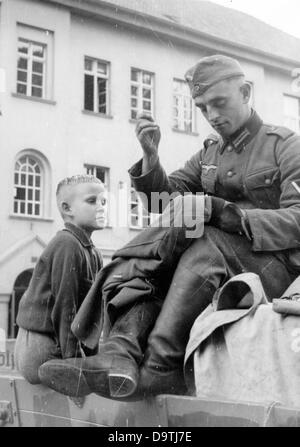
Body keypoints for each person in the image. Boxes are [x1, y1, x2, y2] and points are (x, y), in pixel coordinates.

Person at [37, 55, 300, 399]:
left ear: (246, 91)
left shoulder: (285, 145)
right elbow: (164, 202)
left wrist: (225, 212)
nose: (212, 116)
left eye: (220, 103)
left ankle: (160, 367)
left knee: (203, 238)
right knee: (164, 243)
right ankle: (120, 353)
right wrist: (151, 158)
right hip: (219, 258)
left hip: (274, 263)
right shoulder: (209, 154)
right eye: (203, 108)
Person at [15, 174, 107, 389]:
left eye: (104, 202)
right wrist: (74, 367)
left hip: (53, 346)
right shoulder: (67, 244)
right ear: (67, 209)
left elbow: (92, 313)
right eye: (92, 201)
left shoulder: (92, 252)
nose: (101, 208)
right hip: (41, 349)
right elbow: (65, 308)